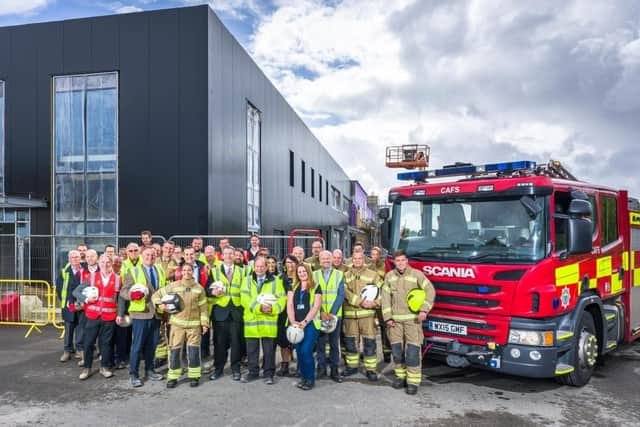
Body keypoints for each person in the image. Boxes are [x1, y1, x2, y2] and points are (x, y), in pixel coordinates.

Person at [381, 250, 436, 395]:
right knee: (397, 352)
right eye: (397, 260)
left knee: (412, 352)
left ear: (407, 261)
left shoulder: (416, 275)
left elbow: (430, 291)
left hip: (413, 321)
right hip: (395, 323)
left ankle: (412, 382)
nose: (400, 263)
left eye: (402, 260)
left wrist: (424, 310)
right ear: (394, 262)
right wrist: (388, 318)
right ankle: (401, 377)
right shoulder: (389, 276)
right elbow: (385, 298)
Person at [152, 263, 209, 388]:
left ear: (192, 272)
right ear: (181, 272)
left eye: (189, 270)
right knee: (174, 351)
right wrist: (159, 305)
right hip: (177, 325)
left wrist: (204, 324)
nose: (187, 272)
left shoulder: (199, 288)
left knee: (193, 352)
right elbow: (155, 295)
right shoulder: (174, 285)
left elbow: (204, 308)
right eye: (184, 270)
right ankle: (173, 376)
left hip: (194, 325)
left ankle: (194, 376)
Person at [118, 247, 166, 387]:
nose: (150, 257)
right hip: (140, 314)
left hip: (157, 313)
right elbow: (123, 291)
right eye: (147, 255)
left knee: (152, 345)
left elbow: (162, 289)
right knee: (137, 346)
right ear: (141, 256)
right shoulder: (133, 271)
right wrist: (132, 295)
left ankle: (150, 370)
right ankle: (134, 374)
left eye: (152, 255)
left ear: (156, 256)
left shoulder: (159, 270)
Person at [240, 256, 286, 384]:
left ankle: (268, 374)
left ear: (266, 267)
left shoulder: (276, 281)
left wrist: (272, 309)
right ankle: (253, 372)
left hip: (268, 322)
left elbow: (282, 299)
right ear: (253, 267)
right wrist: (260, 308)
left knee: (269, 351)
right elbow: (244, 299)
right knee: (252, 350)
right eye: (257, 266)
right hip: (252, 322)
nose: (259, 269)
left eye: (262, 266)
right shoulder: (246, 280)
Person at [73, 255, 119, 380]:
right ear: (99, 262)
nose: (105, 264)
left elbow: (121, 299)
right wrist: (86, 299)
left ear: (111, 263)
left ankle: (104, 367)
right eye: (103, 261)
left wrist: (120, 314)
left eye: (108, 262)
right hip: (93, 316)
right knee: (88, 344)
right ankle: (86, 368)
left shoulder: (118, 279)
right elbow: (76, 292)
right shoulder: (92, 277)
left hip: (109, 317)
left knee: (106, 344)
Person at [342, 252, 382, 381]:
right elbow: (344, 292)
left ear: (364, 260)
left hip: (367, 316)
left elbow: (383, 292)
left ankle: (371, 369)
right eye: (355, 258)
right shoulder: (345, 275)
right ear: (351, 260)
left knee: (369, 343)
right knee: (351, 343)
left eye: (360, 258)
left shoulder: (373, 275)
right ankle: (352, 366)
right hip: (350, 316)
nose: (358, 261)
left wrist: (375, 303)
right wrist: (359, 301)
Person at [208, 246, 244, 381]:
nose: (228, 256)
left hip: (236, 311)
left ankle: (236, 368)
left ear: (235, 256)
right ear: (221, 256)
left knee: (236, 343)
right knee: (219, 343)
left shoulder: (243, 271)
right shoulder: (214, 271)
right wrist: (213, 292)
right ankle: (218, 369)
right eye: (226, 254)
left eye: (231, 254)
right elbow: (207, 289)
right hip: (220, 312)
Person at [287, 263, 322, 391]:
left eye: (304, 271)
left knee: (306, 351)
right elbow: (289, 305)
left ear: (308, 272)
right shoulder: (293, 286)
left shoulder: (315, 286)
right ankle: (303, 377)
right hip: (295, 325)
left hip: (310, 324)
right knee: (299, 352)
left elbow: (316, 306)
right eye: (299, 272)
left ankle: (310, 379)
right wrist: (293, 321)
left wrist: (305, 322)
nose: (302, 274)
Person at [175, 246, 212, 362]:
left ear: (195, 255)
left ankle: (204, 356)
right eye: (186, 254)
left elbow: (209, 284)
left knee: (204, 330)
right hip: (184, 305)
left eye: (191, 254)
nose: (189, 257)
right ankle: (185, 359)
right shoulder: (178, 269)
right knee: (185, 332)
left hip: (200, 303)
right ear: (183, 255)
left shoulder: (203, 267)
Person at [313, 250, 345, 382]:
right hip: (319, 315)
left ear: (331, 259)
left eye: (328, 258)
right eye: (323, 258)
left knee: (334, 344)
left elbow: (340, 294)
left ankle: (334, 370)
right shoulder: (314, 275)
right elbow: (313, 295)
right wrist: (320, 312)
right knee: (320, 344)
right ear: (319, 260)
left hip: (334, 316)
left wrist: (331, 313)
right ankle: (321, 369)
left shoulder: (339, 274)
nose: (325, 260)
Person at [57, 250, 84, 363]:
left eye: (77, 257)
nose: (74, 259)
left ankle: (79, 349)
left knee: (80, 329)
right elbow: (59, 288)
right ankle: (67, 351)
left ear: (80, 258)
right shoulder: (64, 272)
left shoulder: (84, 271)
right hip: (68, 306)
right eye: (72, 257)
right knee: (68, 329)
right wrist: (67, 301)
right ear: (69, 259)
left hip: (82, 305)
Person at [77, 249, 100, 367]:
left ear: (97, 257)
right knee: (86, 335)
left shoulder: (103, 270)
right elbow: (76, 290)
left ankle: (102, 357)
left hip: (100, 309)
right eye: (88, 257)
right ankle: (86, 359)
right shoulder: (82, 272)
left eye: (92, 256)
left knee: (101, 336)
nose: (90, 258)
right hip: (85, 308)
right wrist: (82, 301)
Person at [276, 255, 297, 377]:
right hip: (283, 313)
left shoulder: (301, 276)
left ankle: (300, 366)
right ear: (284, 265)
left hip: (298, 312)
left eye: (293, 262)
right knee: (283, 340)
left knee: (297, 339)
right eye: (288, 262)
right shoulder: (280, 279)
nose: (290, 265)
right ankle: (285, 365)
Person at [370, 246, 391, 363]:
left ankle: (387, 353)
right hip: (371, 300)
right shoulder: (367, 266)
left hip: (381, 300)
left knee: (384, 327)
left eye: (376, 254)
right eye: (372, 254)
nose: (374, 256)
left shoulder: (384, 266)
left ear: (380, 255)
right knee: (371, 327)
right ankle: (370, 353)